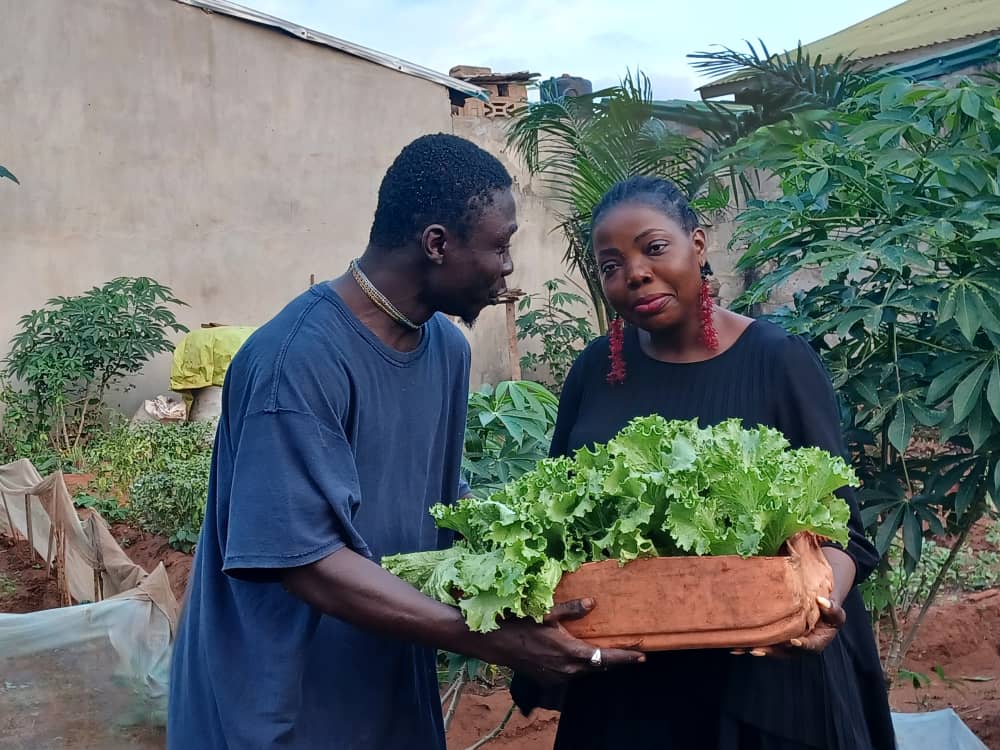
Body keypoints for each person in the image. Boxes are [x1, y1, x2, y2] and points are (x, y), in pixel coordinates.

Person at [166, 134, 643, 750]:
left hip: (386, 678)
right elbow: (307, 562)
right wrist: (488, 638)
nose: (508, 267)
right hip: (279, 700)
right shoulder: (295, 361)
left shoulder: (445, 349)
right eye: (500, 245)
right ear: (437, 243)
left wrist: (534, 550)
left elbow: (435, 496)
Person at [511, 175, 895, 750]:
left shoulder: (778, 361)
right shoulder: (595, 372)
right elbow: (555, 516)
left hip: (765, 680)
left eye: (653, 247)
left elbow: (842, 533)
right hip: (632, 688)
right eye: (611, 264)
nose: (634, 272)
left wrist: (819, 608)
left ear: (698, 243)